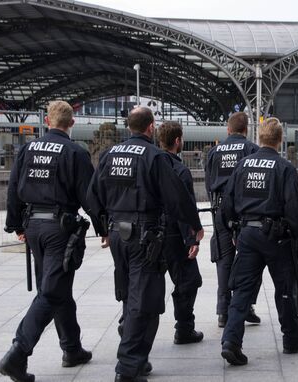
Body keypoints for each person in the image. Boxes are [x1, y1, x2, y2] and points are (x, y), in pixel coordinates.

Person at [87, 107, 204, 382]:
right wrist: (195, 227)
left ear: (130, 127)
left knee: (131, 295)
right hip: (145, 236)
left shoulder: (109, 155)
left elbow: (93, 196)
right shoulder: (155, 157)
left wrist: (103, 228)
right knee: (146, 301)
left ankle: (136, 359)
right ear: (150, 127)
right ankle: (128, 367)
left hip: (118, 234)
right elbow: (177, 199)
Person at [0, 101, 96, 382]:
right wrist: (104, 228)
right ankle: (18, 353)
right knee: (51, 291)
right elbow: (89, 196)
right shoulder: (75, 152)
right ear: (71, 123)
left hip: (33, 227)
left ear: (48, 121)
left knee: (56, 287)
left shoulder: (28, 149)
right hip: (59, 229)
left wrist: (14, 224)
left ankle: (72, 349)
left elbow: (14, 188)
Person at [220, 117, 298, 366]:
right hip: (277, 238)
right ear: (280, 140)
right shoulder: (284, 168)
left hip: (247, 234)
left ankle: (231, 341)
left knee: (241, 291)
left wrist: (234, 230)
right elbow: (293, 210)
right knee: (284, 290)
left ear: (259, 138)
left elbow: (227, 204)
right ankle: (292, 338)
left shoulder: (243, 165)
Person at [204, 111, 261, 328]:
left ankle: (223, 311)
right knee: (251, 261)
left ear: (228, 130)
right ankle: (246, 306)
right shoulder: (251, 149)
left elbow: (209, 183)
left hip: (220, 210)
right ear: (246, 130)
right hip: (245, 212)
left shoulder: (214, 152)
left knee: (224, 261)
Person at [157, 121, 203, 344]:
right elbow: (184, 207)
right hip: (175, 235)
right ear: (177, 141)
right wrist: (192, 238)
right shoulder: (179, 170)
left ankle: (127, 323)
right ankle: (184, 328)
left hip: (152, 233)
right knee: (188, 281)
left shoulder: (151, 164)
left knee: (145, 282)